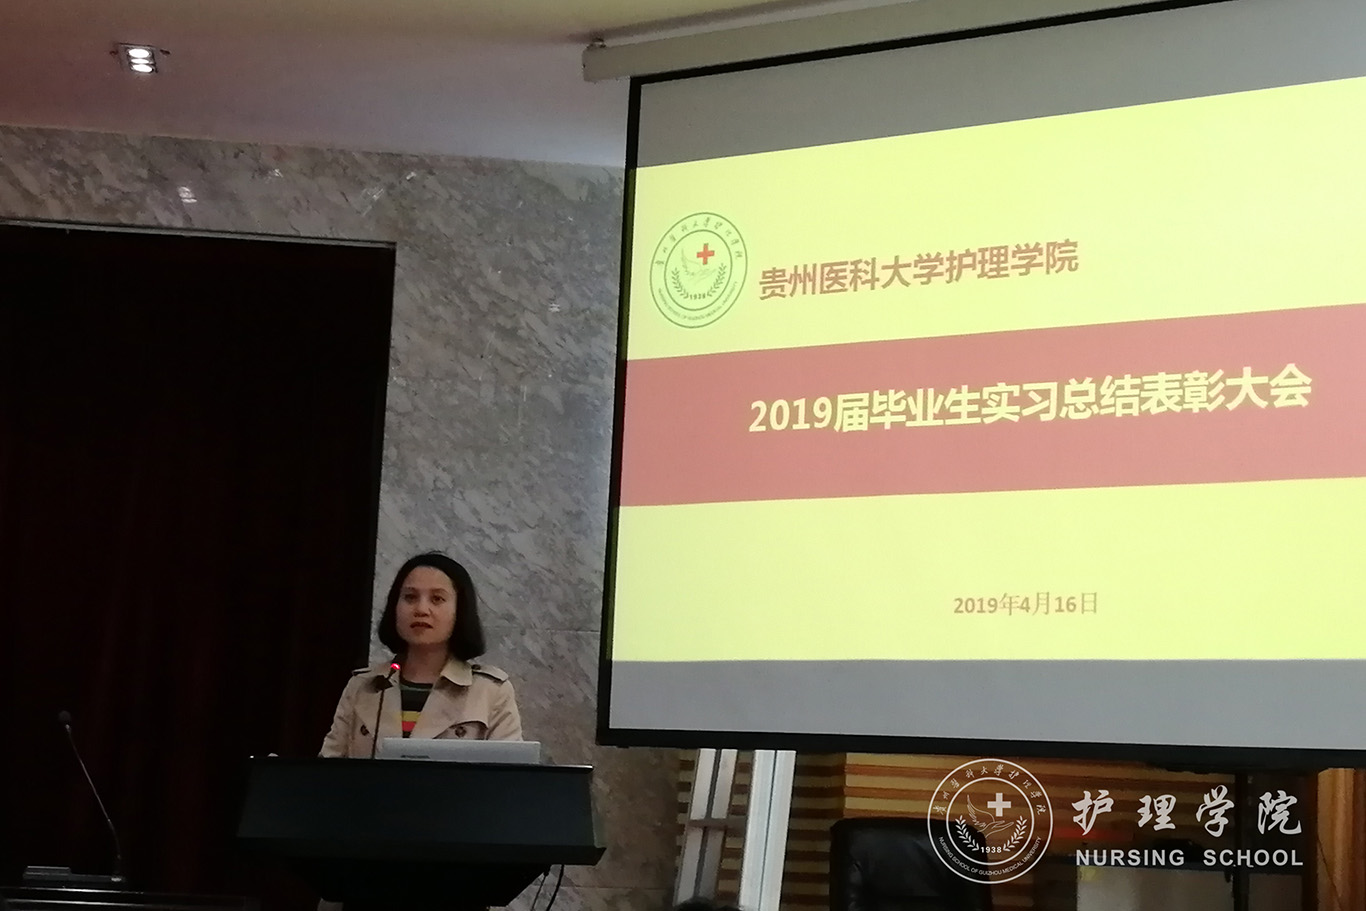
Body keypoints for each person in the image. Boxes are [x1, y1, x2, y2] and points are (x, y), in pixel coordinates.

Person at [320, 551, 522, 758]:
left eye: (437, 599)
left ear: (460, 611)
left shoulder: (491, 691)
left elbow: (509, 773)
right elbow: (328, 769)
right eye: (410, 597)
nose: (421, 609)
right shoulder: (363, 686)